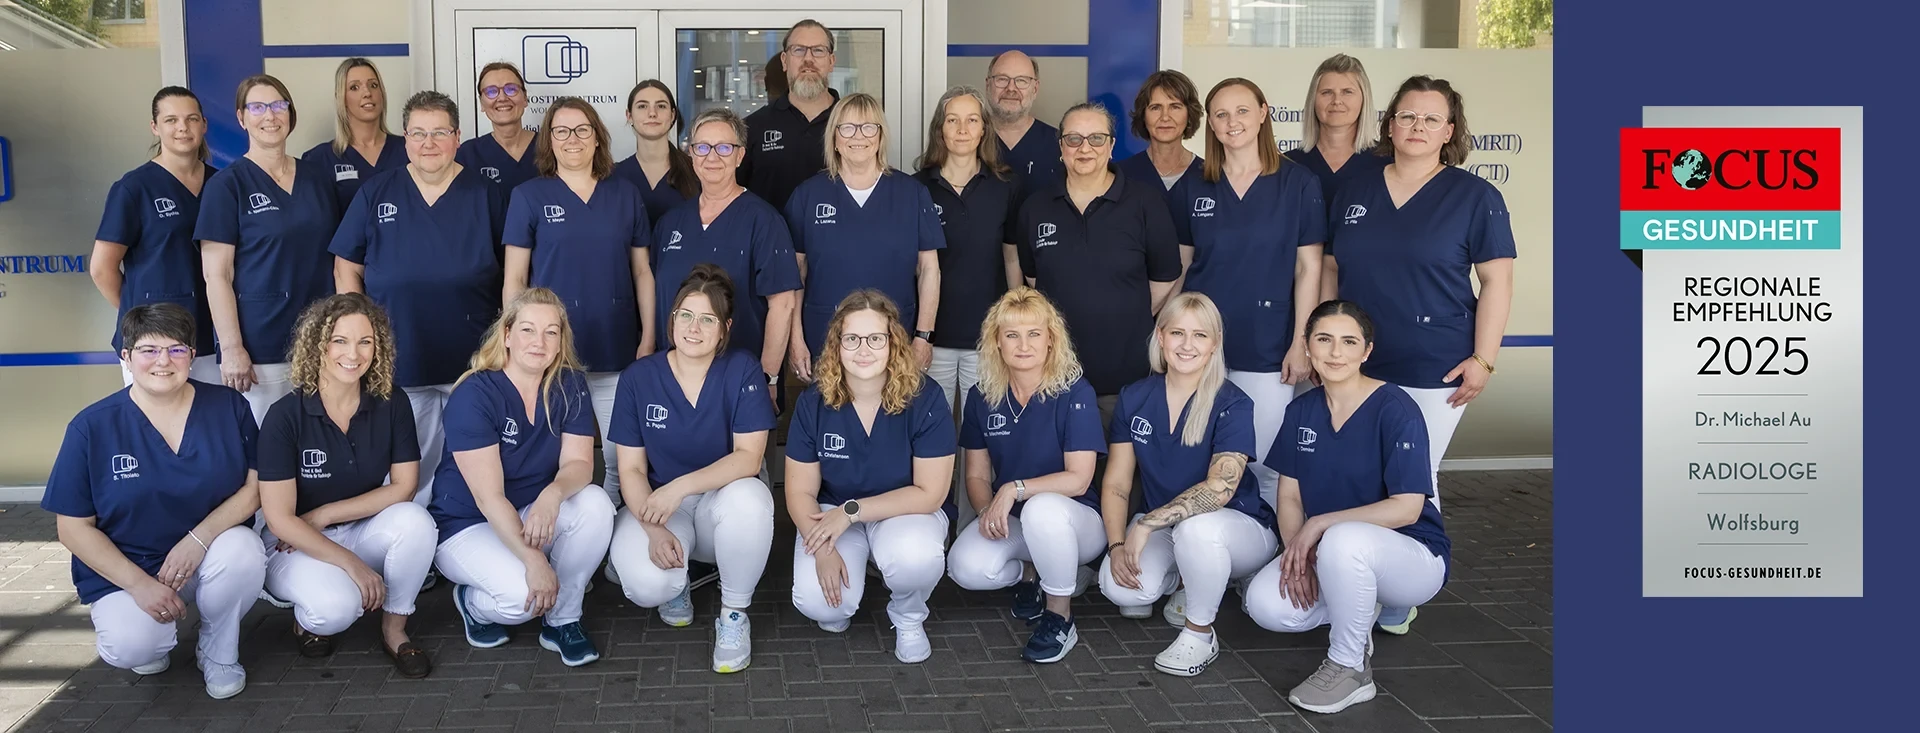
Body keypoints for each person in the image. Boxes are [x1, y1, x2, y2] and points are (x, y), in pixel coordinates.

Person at [42, 303, 267, 699]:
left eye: (177, 349)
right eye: (149, 350)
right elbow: (73, 528)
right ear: (126, 357)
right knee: (134, 647)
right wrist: (140, 585)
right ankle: (152, 632)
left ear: (192, 356)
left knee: (245, 549)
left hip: (209, 553)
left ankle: (217, 650)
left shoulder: (229, 407)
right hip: (128, 565)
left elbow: (255, 487)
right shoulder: (92, 426)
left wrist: (197, 541)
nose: (164, 360)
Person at [1243, 300, 1451, 715]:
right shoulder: (1302, 409)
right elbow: (1289, 496)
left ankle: (1350, 666)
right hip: (1338, 552)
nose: (1336, 353)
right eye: (1324, 339)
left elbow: (1408, 508)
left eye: (1348, 341)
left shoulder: (1396, 409)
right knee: (1264, 604)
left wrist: (1319, 526)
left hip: (1411, 558)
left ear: (1366, 351)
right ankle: (1357, 606)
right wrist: (1297, 554)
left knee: (1342, 538)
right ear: (1307, 345)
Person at [1325, 75, 1515, 513]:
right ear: (1389, 124)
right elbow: (1332, 270)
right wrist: (1325, 343)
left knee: (1412, 479)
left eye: (1432, 119)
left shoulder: (1476, 197)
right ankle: (1357, 574)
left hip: (1434, 366)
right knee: (1357, 474)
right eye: (1407, 115)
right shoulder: (1355, 189)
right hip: (1356, 362)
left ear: (1449, 132)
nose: (1417, 126)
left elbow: (1497, 282)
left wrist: (1484, 359)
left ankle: (1418, 573)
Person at [331, 90, 506, 506]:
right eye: (418, 133)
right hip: (399, 357)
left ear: (457, 137)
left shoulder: (486, 194)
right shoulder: (377, 192)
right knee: (412, 462)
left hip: (473, 359)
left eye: (439, 133)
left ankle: (468, 533)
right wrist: (360, 336)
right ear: (405, 138)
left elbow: (514, 273)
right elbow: (346, 267)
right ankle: (417, 541)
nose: (428, 143)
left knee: (476, 457)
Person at [430, 288, 616, 667]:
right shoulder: (475, 392)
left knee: (595, 505)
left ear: (561, 340)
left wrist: (551, 496)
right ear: (508, 336)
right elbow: (488, 497)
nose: (540, 341)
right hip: (467, 522)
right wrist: (534, 561)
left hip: (530, 508)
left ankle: (563, 619)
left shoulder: (569, 384)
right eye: (528, 330)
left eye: (551, 332)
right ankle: (473, 604)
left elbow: (580, 464)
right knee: (520, 600)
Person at [606, 266, 777, 673]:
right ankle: (675, 584)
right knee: (650, 585)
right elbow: (629, 468)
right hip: (664, 510)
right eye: (685, 315)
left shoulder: (741, 369)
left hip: (720, 506)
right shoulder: (639, 378)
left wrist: (679, 486)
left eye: (707, 319)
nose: (693, 328)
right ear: (671, 320)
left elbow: (748, 458)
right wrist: (651, 528)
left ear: (725, 328)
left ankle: (734, 614)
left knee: (751, 498)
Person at [1098, 293, 1277, 678]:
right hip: (1169, 527)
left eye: (1200, 335)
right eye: (1177, 332)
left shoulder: (1232, 402)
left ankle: (1200, 633)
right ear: (1160, 338)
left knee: (1198, 530)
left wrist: (1146, 524)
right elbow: (1116, 483)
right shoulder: (1135, 396)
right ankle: (1186, 576)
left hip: (1237, 528)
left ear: (1214, 345)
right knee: (1123, 590)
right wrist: (1116, 545)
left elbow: (1220, 489)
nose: (1187, 344)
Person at [256, 294, 435, 678]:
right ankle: (307, 620)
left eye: (365, 341)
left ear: (378, 347)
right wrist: (352, 565)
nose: (353, 353)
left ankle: (394, 629)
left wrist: (324, 515)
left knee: (416, 521)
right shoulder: (284, 416)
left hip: (352, 527)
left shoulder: (391, 402)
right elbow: (279, 519)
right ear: (317, 345)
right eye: (339, 340)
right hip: (293, 543)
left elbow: (404, 486)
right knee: (336, 610)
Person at [1171, 77, 1326, 515]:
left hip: (1268, 343)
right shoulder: (1194, 185)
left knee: (1264, 462)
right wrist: (1165, 333)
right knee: (1200, 457)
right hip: (1198, 346)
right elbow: (1181, 269)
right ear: (1211, 126)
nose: (1231, 121)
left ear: (1263, 113)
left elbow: (1308, 267)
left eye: (1242, 111)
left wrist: (1301, 342)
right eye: (1221, 114)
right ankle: (1205, 556)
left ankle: (1263, 565)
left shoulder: (1298, 183)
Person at [786, 290, 955, 664]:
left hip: (902, 511)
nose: (864, 349)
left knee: (915, 559)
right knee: (823, 606)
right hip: (831, 512)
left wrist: (851, 511)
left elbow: (930, 493)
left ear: (893, 342)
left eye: (876, 338)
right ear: (837, 345)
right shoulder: (814, 401)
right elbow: (799, 491)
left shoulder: (925, 398)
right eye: (852, 339)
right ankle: (851, 578)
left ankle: (908, 615)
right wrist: (823, 549)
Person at [503, 97, 656, 508]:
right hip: (549, 350)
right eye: (562, 131)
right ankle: (557, 535)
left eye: (582, 129)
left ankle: (614, 528)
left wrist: (648, 337)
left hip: (615, 343)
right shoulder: (528, 196)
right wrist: (515, 343)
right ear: (549, 140)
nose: (573, 139)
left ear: (598, 137)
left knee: (621, 454)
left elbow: (642, 271)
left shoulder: (625, 194)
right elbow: (515, 278)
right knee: (554, 454)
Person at [943, 288, 1105, 664]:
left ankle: (1059, 614)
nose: (1024, 345)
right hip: (1019, 520)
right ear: (996, 343)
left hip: (1077, 523)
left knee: (1042, 510)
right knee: (966, 567)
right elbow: (978, 477)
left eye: (1034, 334)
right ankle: (1030, 574)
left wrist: (1014, 490)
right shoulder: (984, 395)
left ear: (1051, 340)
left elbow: (1079, 479)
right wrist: (987, 512)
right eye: (1012, 335)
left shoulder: (1074, 391)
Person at [196, 74, 342, 424]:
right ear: (241, 117)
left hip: (322, 338)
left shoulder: (317, 177)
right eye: (257, 107)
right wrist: (231, 348)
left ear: (290, 113)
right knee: (266, 452)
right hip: (262, 345)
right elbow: (216, 274)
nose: (270, 115)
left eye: (279, 105)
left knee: (319, 447)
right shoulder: (226, 186)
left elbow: (338, 259)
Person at [1016, 102, 1182, 410]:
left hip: (1125, 379)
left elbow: (1165, 276)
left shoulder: (1145, 203)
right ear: (1061, 146)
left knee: (1120, 458)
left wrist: (1125, 315)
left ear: (1111, 146)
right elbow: (1035, 279)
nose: (1085, 148)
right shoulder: (1035, 207)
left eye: (1096, 138)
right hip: (1054, 378)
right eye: (1074, 139)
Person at [783, 93, 944, 381]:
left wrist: (923, 335)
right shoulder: (807, 196)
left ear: (880, 137)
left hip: (895, 338)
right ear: (834, 138)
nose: (858, 136)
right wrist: (795, 339)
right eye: (847, 127)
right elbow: (795, 275)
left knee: (893, 418)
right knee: (829, 420)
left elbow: (929, 269)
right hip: (826, 339)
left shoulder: (912, 193)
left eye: (869, 127)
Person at [647, 108, 800, 382]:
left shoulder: (764, 221)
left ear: (740, 155)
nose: (712, 157)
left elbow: (783, 303)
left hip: (739, 378)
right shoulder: (670, 224)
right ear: (691, 154)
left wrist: (768, 377)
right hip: (672, 376)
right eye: (703, 147)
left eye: (724, 147)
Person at [90, 86, 221, 386]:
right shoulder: (134, 189)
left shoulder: (222, 185)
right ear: (155, 127)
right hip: (153, 344)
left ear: (204, 125)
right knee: (153, 428)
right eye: (171, 120)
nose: (182, 128)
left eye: (191, 119)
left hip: (211, 339)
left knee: (209, 427)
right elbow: (101, 269)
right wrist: (140, 313)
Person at [1284, 54, 1389, 305]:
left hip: (1366, 298)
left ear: (1364, 100)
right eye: (1327, 92)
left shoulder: (1387, 165)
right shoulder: (1287, 167)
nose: (1337, 101)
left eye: (1347, 92)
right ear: (1313, 100)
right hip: (1294, 298)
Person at [741, 19, 841, 211]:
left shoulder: (854, 125)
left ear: (831, 62)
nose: (808, 59)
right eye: (799, 50)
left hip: (838, 240)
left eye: (818, 50)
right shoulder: (752, 127)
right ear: (785, 61)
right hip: (770, 240)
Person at [302, 58, 406, 205]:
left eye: (373, 85)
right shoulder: (320, 160)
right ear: (341, 98)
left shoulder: (409, 149)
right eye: (354, 87)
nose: (367, 93)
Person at [612, 80, 698, 229]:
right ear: (629, 115)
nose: (652, 113)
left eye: (661, 106)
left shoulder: (697, 171)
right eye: (642, 106)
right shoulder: (613, 176)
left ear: (672, 115)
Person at [1117, 70, 1204, 203]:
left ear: (1189, 114)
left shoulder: (1209, 175)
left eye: (1175, 107)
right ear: (1143, 116)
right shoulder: (1121, 175)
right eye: (1155, 108)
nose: (1165, 117)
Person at [985, 51, 1063, 196]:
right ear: (988, 85)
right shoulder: (968, 141)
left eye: (1021, 81)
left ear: (1035, 89)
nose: (1011, 88)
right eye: (1002, 79)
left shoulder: (1059, 145)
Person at [457, 62, 539, 192]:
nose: (502, 98)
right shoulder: (468, 155)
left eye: (511, 89)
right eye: (491, 91)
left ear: (525, 97)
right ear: (482, 103)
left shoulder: (550, 147)